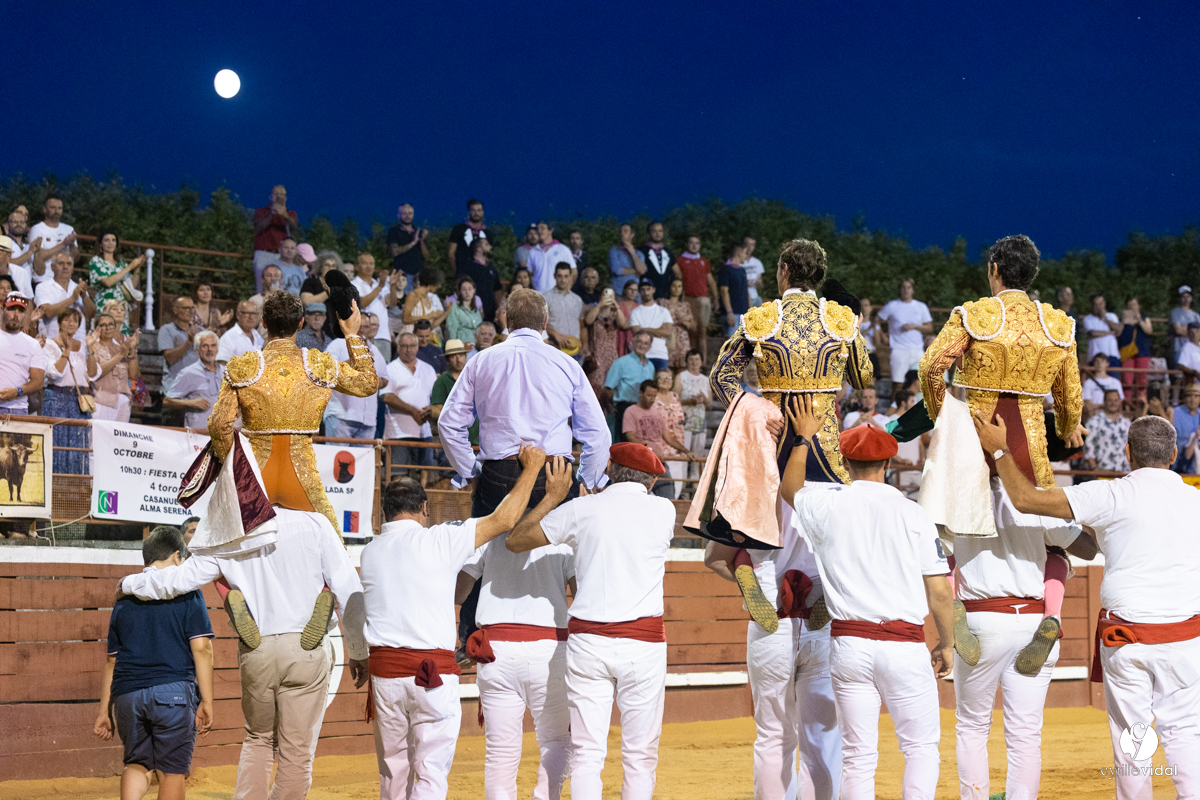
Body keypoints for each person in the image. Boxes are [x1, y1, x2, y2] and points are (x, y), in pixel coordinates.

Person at [974, 412, 1200, 800]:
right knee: (1185, 733)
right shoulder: (1195, 500)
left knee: (1133, 737)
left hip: (1126, 636)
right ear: (1175, 454)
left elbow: (1025, 500)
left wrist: (999, 450)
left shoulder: (1110, 494)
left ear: (1127, 453)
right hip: (1185, 637)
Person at [919, 234, 1084, 671]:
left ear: (994, 269)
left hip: (972, 441)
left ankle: (956, 605)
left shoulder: (974, 315)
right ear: (1033, 274)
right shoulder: (1058, 326)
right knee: (1052, 543)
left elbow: (931, 367)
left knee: (945, 536)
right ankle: (1050, 616)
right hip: (1028, 451)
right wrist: (1067, 429)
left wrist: (946, 418)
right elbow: (1070, 398)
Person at [782, 404, 953, 800]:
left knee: (858, 756)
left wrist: (802, 438)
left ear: (844, 463)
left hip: (848, 645)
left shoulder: (828, 505)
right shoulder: (914, 514)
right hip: (903, 645)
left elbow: (789, 490)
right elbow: (940, 590)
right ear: (888, 463)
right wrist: (947, 643)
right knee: (920, 748)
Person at [361, 448, 547, 800]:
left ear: (384, 511)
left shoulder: (370, 552)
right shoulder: (441, 539)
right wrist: (532, 468)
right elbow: (505, 518)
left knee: (393, 770)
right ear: (425, 507)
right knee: (430, 773)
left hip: (385, 676)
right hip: (431, 675)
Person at [438, 288, 612, 660]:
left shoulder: (482, 360)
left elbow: (448, 424)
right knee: (568, 552)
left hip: (499, 470)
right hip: (555, 471)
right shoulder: (566, 363)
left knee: (481, 546)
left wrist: (470, 471)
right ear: (545, 322)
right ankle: (582, 638)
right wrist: (586, 480)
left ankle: (470, 639)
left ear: (506, 320)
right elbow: (598, 434)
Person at [504, 442, 673, 800]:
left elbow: (516, 540)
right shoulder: (665, 510)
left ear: (609, 468)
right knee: (640, 754)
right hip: (643, 645)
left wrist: (554, 498)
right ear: (652, 481)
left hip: (588, 643)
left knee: (586, 752)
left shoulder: (581, 510)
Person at [705, 430, 843, 800]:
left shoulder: (753, 488)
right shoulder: (837, 493)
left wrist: (743, 572)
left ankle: (756, 575)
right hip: (820, 617)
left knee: (772, 735)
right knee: (823, 732)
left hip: (770, 622)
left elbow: (714, 559)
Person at [455, 458, 575, 800]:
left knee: (500, 751)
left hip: (497, 651)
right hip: (549, 650)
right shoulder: (562, 536)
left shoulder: (490, 530)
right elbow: (582, 595)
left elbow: (458, 592)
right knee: (557, 740)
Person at [94, 527, 215, 800]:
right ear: (176, 556)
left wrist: (104, 711)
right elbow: (202, 648)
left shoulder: (124, 598)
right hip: (172, 694)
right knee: (172, 772)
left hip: (128, 696)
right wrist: (207, 700)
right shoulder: (188, 592)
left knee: (137, 764)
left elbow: (112, 661)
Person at [42, 309, 100, 474]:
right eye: (67, 319)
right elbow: (53, 373)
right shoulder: (50, 344)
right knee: (57, 445)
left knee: (78, 447)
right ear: (60, 322)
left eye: (75, 320)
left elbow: (93, 374)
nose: (71, 323)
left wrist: (90, 348)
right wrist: (66, 351)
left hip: (78, 403)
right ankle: (55, 484)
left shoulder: (83, 345)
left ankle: (76, 486)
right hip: (56, 400)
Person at [622, 379, 694, 498]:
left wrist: (686, 451)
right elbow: (631, 437)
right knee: (639, 498)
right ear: (641, 393)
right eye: (649, 395)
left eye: (654, 396)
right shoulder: (630, 411)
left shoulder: (656, 412)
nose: (651, 399)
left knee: (668, 496)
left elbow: (668, 437)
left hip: (659, 462)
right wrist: (649, 450)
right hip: (640, 463)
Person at [324, 313, 389, 441]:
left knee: (365, 455)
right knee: (338, 454)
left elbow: (385, 378)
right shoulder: (337, 344)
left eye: (366, 327)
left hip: (368, 419)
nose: (362, 330)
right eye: (359, 326)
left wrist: (372, 381)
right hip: (341, 415)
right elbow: (328, 371)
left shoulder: (374, 350)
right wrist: (355, 360)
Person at [383, 332, 437, 480]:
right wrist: (413, 411)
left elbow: (435, 397)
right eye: (405, 346)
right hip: (398, 432)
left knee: (425, 477)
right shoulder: (390, 369)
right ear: (398, 348)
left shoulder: (428, 369)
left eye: (412, 346)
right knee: (397, 476)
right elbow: (387, 396)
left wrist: (430, 410)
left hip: (424, 432)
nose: (409, 350)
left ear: (418, 347)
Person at [878, 279, 934, 389]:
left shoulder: (921, 306)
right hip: (899, 349)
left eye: (908, 287)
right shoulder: (892, 305)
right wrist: (884, 337)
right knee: (898, 384)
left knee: (918, 383)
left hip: (917, 350)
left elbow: (929, 328)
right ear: (900, 290)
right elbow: (877, 320)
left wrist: (914, 326)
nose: (905, 290)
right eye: (903, 287)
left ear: (912, 290)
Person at [164, 330, 223, 430]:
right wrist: (190, 403)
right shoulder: (188, 373)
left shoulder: (226, 372)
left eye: (213, 345)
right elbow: (167, 401)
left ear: (217, 349)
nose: (209, 349)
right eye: (205, 346)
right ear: (197, 350)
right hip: (199, 433)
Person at [88, 231, 144, 334]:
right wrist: (130, 267)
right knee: (103, 336)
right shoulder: (96, 261)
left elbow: (131, 285)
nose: (110, 243)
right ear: (101, 244)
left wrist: (137, 269)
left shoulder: (121, 263)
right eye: (107, 240)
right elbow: (108, 282)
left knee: (121, 337)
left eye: (113, 240)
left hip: (120, 308)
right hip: (105, 305)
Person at [604, 331, 656, 439]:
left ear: (650, 347)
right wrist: (613, 409)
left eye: (645, 343)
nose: (642, 345)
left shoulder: (650, 366)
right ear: (633, 342)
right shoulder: (620, 363)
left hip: (642, 410)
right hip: (623, 408)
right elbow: (608, 389)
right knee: (622, 443)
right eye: (639, 341)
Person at [0, 293, 45, 416]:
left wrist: (17, 391)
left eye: (21, 311)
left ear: (25, 315)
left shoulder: (32, 344)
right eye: (11, 309)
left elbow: (38, 382)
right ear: (2, 309)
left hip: (18, 409)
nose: (16, 315)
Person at [91, 313, 139, 423]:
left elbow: (133, 376)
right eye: (103, 325)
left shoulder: (121, 348)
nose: (108, 327)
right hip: (101, 402)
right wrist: (119, 356)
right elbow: (95, 373)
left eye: (111, 324)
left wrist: (133, 349)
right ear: (97, 328)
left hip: (123, 402)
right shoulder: (93, 347)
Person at [36, 252, 94, 343]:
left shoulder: (78, 287)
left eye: (69, 264)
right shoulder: (43, 287)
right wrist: (73, 298)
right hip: (52, 342)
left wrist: (84, 297)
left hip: (78, 343)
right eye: (61, 263)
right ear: (52, 267)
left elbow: (92, 314)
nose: (65, 267)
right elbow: (47, 312)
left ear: (72, 268)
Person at [428, 339, 476, 445]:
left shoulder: (474, 377)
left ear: (465, 356)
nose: (458, 359)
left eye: (461, 355)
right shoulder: (442, 381)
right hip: (453, 439)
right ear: (448, 360)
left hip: (476, 437)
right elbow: (437, 411)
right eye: (453, 356)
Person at [252, 185, 298, 293]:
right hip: (263, 253)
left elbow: (294, 227)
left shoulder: (290, 214)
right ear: (270, 196)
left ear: (286, 198)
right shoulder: (261, 211)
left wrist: (284, 214)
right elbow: (258, 228)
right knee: (262, 287)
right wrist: (271, 214)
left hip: (281, 256)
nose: (279, 197)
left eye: (282, 194)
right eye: (276, 193)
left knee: (279, 287)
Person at [678, 235, 717, 360]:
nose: (694, 245)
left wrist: (716, 297)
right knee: (691, 331)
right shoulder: (680, 260)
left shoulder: (704, 261)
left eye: (697, 243)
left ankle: (703, 361)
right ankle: (691, 359)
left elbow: (710, 280)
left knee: (702, 331)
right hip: (688, 299)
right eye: (691, 242)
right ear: (687, 244)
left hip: (703, 299)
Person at [582, 286, 626, 396]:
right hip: (597, 354)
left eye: (611, 296)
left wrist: (616, 306)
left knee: (611, 385)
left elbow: (623, 324)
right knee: (596, 384)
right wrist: (600, 305)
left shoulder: (615, 313)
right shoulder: (594, 309)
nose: (608, 297)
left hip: (611, 354)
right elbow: (588, 321)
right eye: (605, 295)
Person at [675, 349, 711, 480]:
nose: (694, 362)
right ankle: (682, 482)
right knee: (684, 453)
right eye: (691, 359)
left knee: (698, 454)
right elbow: (674, 399)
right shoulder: (681, 377)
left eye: (697, 359)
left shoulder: (705, 380)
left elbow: (710, 403)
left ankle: (695, 481)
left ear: (701, 362)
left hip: (700, 421)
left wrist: (704, 399)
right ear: (686, 362)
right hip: (684, 420)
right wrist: (689, 401)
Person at [653, 369, 688, 497]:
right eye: (661, 378)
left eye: (668, 378)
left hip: (677, 445)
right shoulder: (652, 397)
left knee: (677, 485)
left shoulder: (675, 396)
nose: (665, 380)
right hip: (659, 448)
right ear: (656, 380)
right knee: (662, 487)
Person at [28, 195, 78, 284]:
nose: (56, 211)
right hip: (44, 279)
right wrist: (63, 245)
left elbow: (76, 258)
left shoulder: (68, 229)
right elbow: (37, 256)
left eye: (59, 208)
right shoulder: (37, 229)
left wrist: (72, 244)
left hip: (65, 280)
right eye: (53, 208)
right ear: (44, 209)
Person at [350, 253, 391, 359]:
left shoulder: (379, 284)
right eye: (365, 263)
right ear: (357, 267)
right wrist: (380, 286)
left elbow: (392, 303)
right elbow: (361, 304)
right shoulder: (352, 284)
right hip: (362, 336)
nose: (368, 266)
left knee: (383, 368)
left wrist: (393, 286)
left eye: (371, 263)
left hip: (383, 335)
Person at [629, 279, 673, 372]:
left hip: (660, 354)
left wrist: (645, 329)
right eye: (643, 290)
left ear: (653, 290)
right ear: (640, 292)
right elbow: (637, 333)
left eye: (648, 289)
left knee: (662, 380)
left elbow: (667, 332)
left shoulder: (663, 311)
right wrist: (658, 330)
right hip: (642, 354)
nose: (646, 292)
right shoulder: (635, 312)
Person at [158, 295, 200, 394]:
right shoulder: (167, 330)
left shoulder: (200, 331)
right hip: (175, 385)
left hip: (197, 386)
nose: (190, 311)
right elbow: (170, 358)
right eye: (186, 308)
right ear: (175, 310)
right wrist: (189, 342)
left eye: (192, 308)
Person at [1085, 389, 1133, 473]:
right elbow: (1088, 446)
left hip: (1124, 472)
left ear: (1119, 402)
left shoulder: (1126, 423)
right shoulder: (1094, 422)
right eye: (1110, 400)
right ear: (1104, 401)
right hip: (1103, 472)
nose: (1113, 403)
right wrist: (1094, 469)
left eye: (1115, 400)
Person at [543, 263, 583, 355]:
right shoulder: (546, 298)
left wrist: (584, 345)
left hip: (575, 350)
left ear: (570, 277)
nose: (563, 280)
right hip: (555, 349)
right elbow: (540, 325)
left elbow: (582, 324)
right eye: (560, 276)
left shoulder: (577, 300)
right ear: (554, 276)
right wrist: (556, 334)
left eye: (566, 276)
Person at [1118, 297, 1154, 401]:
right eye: (1130, 305)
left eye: (1134, 305)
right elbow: (1118, 332)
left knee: (1142, 379)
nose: (1132, 307)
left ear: (1139, 306)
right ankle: (1127, 404)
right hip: (1127, 352)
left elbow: (1149, 330)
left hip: (1142, 352)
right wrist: (1125, 321)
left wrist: (1139, 321)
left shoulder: (1144, 319)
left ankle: (1141, 403)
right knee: (1126, 379)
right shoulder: (1123, 320)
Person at [459, 237, 503, 323]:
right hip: (473, 311)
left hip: (491, 312)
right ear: (479, 249)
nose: (490, 247)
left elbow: (497, 290)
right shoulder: (468, 267)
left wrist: (499, 308)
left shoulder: (492, 268)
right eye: (486, 244)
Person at [527, 222, 576, 293]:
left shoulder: (563, 249)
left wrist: (566, 290)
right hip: (539, 295)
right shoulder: (532, 251)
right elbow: (529, 274)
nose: (539, 231)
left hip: (558, 294)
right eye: (538, 229)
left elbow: (574, 272)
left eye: (542, 228)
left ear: (550, 230)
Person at [638, 221, 679, 300]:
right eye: (654, 231)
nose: (658, 234)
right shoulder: (642, 251)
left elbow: (677, 272)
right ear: (648, 233)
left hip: (666, 295)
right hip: (647, 295)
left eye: (660, 231)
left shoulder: (667, 251)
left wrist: (674, 289)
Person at [660, 277, 695, 370]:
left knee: (682, 366)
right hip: (668, 336)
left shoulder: (685, 305)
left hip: (682, 338)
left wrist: (686, 323)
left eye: (679, 286)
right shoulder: (662, 303)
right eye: (674, 286)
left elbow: (693, 326)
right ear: (670, 287)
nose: (676, 289)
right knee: (667, 367)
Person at [402, 268, 448, 338]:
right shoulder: (413, 295)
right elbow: (405, 319)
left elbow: (430, 326)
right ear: (432, 283)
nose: (439, 286)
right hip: (410, 337)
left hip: (423, 338)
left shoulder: (429, 299)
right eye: (438, 283)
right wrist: (430, 315)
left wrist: (446, 312)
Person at [448, 198, 489, 274]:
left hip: (481, 273)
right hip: (463, 272)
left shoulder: (487, 233)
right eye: (473, 210)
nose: (476, 213)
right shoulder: (459, 229)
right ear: (469, 212)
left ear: (482, 213)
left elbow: (488, 254)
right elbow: (451, 252)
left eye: (479, 210)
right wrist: (456, 271)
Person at [386, 203, 428, 279]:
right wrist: (413, 242)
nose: (407, 216)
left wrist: (422, 241)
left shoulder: (418, 232)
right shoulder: (394, 231)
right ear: (399, 215)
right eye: (404, 213)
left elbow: (427, 256)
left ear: (413, 215)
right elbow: (394, 252)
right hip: (402, 275)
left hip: (419, 275)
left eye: (410, 213)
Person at [718, 244, 751, 338]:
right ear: (738, 253)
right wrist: (729, 312)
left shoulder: (742, 270)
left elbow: (746, 291)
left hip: (743, 311)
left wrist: (750, 310)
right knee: (732, 341)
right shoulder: (726, 270)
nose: (746, 256)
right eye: (745, 253)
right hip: (733, 312)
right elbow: (724, 291)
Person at [1082, 294, 1122, 368]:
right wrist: (1111, 333)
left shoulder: (1112, 316)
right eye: (1096, 305)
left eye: (1100, 304)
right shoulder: (1088, 319)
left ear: (1104, 303)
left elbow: (1118, 329)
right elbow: (1093, 333)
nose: (1099, 307)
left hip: (1112, 356)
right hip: (1095, 357)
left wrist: (1106, 319)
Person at [609, 222, 648, 297]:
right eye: (621, 231)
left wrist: (632, 252)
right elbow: (617, 270)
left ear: (632, 235)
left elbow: (642, 271)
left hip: (635, 294)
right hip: (619, 293)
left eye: (625, 231)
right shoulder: (614, 251)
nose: (622, 233)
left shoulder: (639, 254)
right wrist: (636, 271)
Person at [1082, 353, 1125, 418]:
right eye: (1097, 361)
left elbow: (1119, 403)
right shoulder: (1088, 383)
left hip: (1112, 416)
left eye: (1102, 361)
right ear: (1094, 364)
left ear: (1107, 364)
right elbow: (1088, 403)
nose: (1099, 364)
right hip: (1096, 416)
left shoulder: (1115, 382)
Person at [1171, 383, 1200, 473]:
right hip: (1178, 466)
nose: (1192, 400)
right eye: (1189, 396)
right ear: (1184, 397)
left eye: (1196, 396)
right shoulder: (1175, 413)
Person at [446, 276, 484, 343]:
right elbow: (452, 329)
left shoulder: (476, 309)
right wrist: (453, 345)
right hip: (461, 344)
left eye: (470, 289)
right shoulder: (455, 307)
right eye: (464, 289)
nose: (467, 292)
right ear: (460, 291)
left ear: (474, 290)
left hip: (476, 344)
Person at [1170, 285, 1200, 365]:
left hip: (1194, 350)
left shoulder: (1196, 315)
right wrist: (1192, 331)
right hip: (1179, 349)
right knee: (1179, 370)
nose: (1186, 299)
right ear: (1180, 298)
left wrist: (1184, 328)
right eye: (1183, 297)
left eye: (1188, 297)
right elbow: (1177, 330)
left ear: (1191, 298)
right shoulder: (1175, 312)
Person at [742, 235, 766, 307]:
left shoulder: (757, 262)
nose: (750, 247)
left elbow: (760, 283)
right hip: (742, 298)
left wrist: (758, 283)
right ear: (744, 245)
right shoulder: (737, 262)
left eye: (752, 245)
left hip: (755, 297)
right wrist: (745, 283)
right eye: (748, 244)